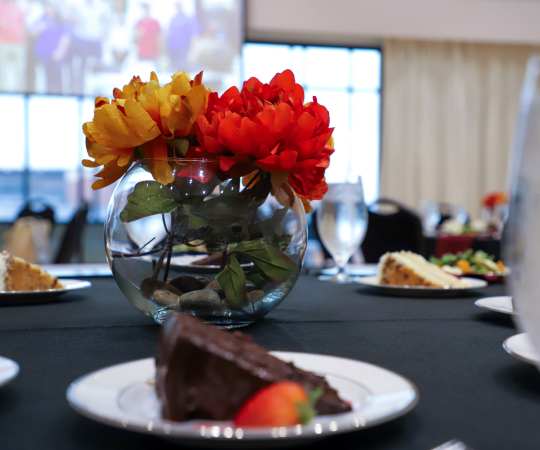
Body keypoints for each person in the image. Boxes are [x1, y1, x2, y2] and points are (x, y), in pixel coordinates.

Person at [33, 4, 71, 93]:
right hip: (43, 54)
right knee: (44, 79)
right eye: (47, 7)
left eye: (50, 7)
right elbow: (33, 32)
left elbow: (66, 37)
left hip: (57, 54)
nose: (48, 9)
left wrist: (60, 51)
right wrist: (38, 28)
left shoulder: (61, 21)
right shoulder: (41, 19)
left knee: (57, 80)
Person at [0, 0, 26, 92]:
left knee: (19, 70)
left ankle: (19, 93)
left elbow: (23, 21)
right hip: (3, 42)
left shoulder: (18, 5)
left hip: (18, 43)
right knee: (2, 70)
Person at [166, 2, 199, 70]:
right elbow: (169, 33)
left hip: (184, 46)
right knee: (175, 66)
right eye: (176, 6)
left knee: (183, 66)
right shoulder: (173, 19)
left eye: (179, 6)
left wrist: (193, 48)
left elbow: (194, 34)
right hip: (173, 46)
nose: (178, 8)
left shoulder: (188, 18)